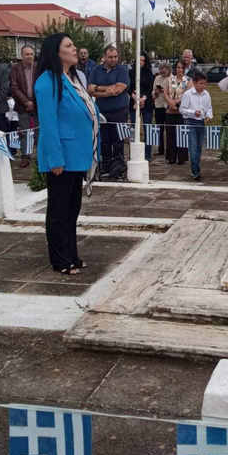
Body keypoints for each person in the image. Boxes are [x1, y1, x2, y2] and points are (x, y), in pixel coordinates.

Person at [35, 33, 98, 275]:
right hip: (62, 157)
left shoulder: (73, 78)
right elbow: (49, 124)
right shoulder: (47, 82)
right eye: (69, 45)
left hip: (77, 155)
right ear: (56, 52)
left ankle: (72, 254)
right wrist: (55, 159)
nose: (74, 49)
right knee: (59, 211)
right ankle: (60, 259)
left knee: (72, 210)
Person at [88, 45, 130, 177]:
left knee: (118, 141)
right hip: (102, 112)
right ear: (104, 57)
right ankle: (105, 167)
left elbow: (118, 90)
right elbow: (90, 90)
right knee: (104, 141)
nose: (113, 59)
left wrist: (98, 88)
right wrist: (107, 90)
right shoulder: (96, 70)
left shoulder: (122, 70)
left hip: (119, 111)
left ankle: (118, 168)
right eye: (110, 57)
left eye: (115, 57)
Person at [180, 70, 213, 181]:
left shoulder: (206, 94)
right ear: (194, 83)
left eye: (205, 83)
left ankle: (196, 168)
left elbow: (209, 108)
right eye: (201, 83)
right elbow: (182, 109)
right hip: (191, 123)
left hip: (201, 123)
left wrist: (209, 116)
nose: (203, 86)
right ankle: (195, 171)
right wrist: (193, 112)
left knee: (199, 148)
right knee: (193, 148)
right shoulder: (188, 94)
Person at [10, 45, 38, 168]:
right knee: (24, 131)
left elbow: (42, 85)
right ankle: (25, 157)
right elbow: (14, 87)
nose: (29, 56)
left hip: (37, 105)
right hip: (22, 105)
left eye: (31, 54)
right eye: (27, 54)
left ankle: (40, 156)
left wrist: (34, 102)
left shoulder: (38, 68)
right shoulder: (15, 69)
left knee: (39, 131)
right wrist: (26, 102)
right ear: (21, 56)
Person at [129, 51, 154, 161]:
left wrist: (143, 99)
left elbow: (150, 88)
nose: (141, 62)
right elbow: (128, 87)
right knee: (133, 129)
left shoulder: (149, 73)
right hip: (133, 102)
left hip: (147, 104)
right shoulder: (131, 72)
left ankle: (147, 154)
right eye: (139, 60)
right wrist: (135, 97)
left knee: (148, 129)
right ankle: (133, 153)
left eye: (143, 60)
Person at [164, 60, 190, 165]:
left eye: (182, 68)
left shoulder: (188, 80)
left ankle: (181, 157)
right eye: (178, 67)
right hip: (170, 110)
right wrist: (170, 102)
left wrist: (176, 102)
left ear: (184, 69)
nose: (180, 70)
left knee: (181, 134)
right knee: (170, 134)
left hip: (181, 111)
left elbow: (187, 94)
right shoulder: (169, 79)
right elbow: (165, 93)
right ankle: (171, 157)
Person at [152, 62, 171, 156]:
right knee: (159, 129)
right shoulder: (157, 78)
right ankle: (160, 149)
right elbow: (152, 92)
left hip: (168, 107)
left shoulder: (171, 78)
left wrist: (165, 92)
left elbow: (173, 92)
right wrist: (156, 92)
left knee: (169, 130)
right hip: (158, 106)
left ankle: (169, 150)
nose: (162, 71)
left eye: (164, 69)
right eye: (161, 69)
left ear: (168, 70)